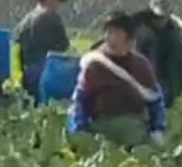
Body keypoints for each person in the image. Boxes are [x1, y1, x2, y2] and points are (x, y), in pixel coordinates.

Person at [69, 10, 166, 148]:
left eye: (116, 32)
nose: (109, 37)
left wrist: (158, 129)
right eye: (107, 32)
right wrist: (79, 130)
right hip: (102, 135)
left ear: (129, 39)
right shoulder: (95, 65)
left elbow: (155, 100)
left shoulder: (141, 65)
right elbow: (81, 101)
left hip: (135, 134)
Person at [132, 0, 182, 108]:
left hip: (168, 82)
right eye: (157, 17)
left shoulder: (173, 34)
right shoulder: (139, 33)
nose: (160, 20)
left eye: (163, 17)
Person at [13, 0, 71, 99]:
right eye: (58, 0)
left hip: (28, 74)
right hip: (48, 73)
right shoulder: (52, 17)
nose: (59, 5)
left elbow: (17, 49)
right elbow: (64, 45)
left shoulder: (24, 22)